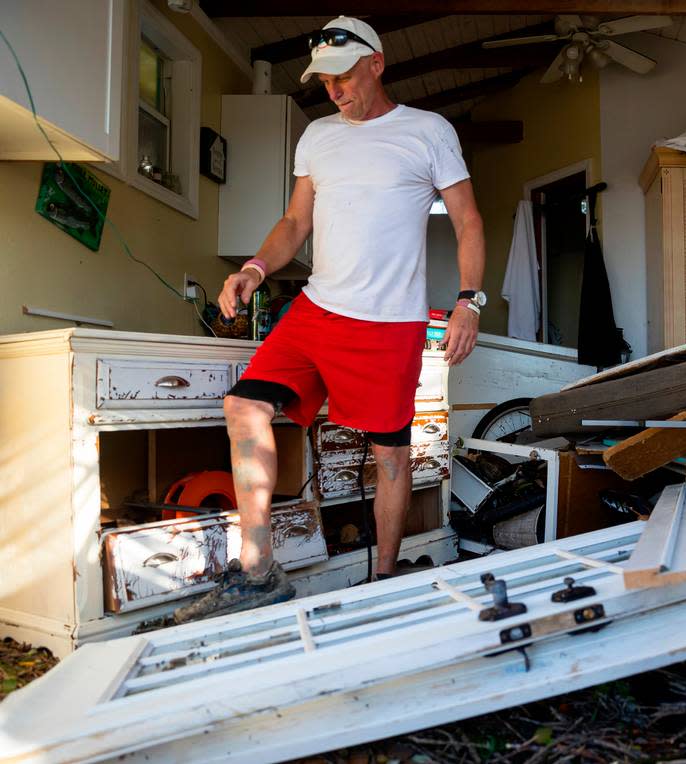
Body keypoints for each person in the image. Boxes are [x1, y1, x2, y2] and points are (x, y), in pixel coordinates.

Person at [174, 16, 487, 623]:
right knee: (243, 405)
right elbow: (296, 223)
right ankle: (258, 569)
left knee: (390, 456)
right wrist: (255, 269)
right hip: (317, 309)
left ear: (377, 63)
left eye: (344, 77)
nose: (335, 91)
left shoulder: (428, 132)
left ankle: (387, 579)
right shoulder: (317, 136)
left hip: (386, 323)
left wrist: (468, 301)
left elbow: (469, 220)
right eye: (325, 82)